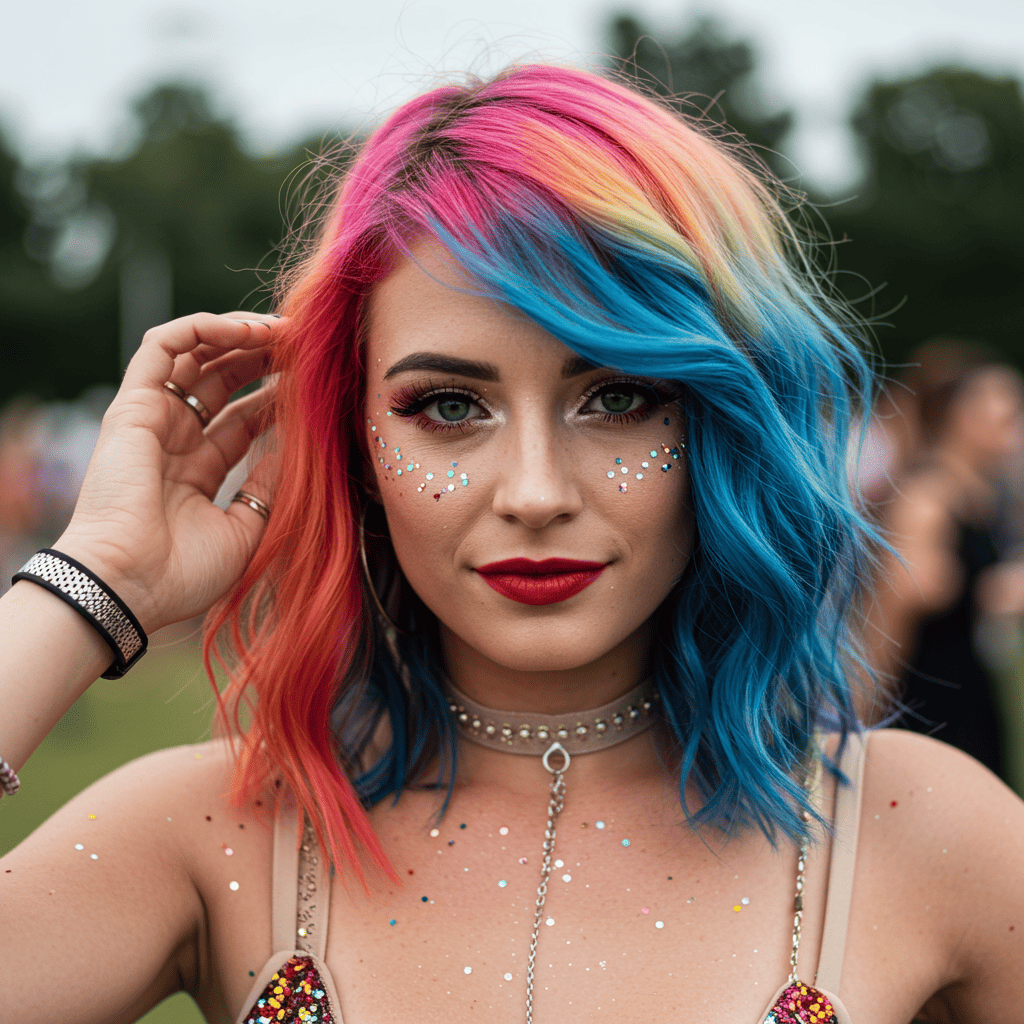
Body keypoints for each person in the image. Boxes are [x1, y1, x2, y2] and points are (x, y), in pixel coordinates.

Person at [1, 65, 1023, 1024]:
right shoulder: (213, 831)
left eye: (617, 397)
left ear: (722, 419)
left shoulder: (921, 829)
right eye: (448, 405)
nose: (534, 493)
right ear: (353, 437)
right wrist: (95, 581)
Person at [864, 340, 1024, 775]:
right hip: (927, 710)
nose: (1017, 429)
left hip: (970, 693)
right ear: (964, 418)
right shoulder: (927, 501)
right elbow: (888, 618)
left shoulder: (979, 496)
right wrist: (861, 726)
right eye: (1007, 416)